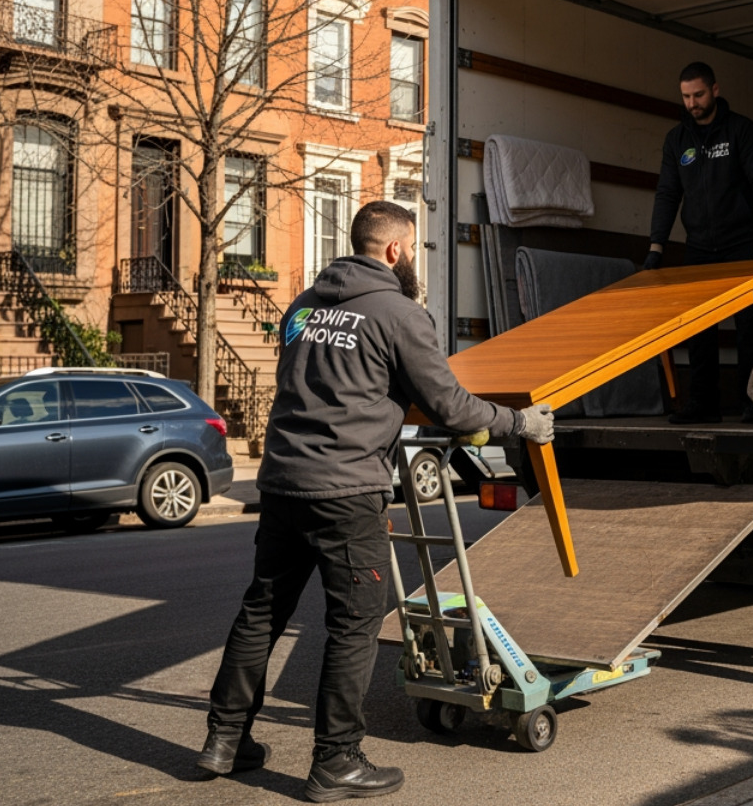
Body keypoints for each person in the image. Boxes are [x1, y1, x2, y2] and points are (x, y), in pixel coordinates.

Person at [197, 201, 554, 802]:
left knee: (262, 613)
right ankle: (336, 761)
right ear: (394, 250)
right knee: (354, 625)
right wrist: (520, 422)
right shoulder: (398, 313)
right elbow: (451, 406)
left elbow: (323, 379)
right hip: (346, 490)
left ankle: (225, 740)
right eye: (412, 248)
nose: (413, 258)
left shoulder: (303, 306)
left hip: (283, 485)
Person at [645, 61, 753, 424]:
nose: (692, 103)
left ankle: (752, 403)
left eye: (699, 94)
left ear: (715, 90)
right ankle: (703, 404)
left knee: (750, 327)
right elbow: (667, 194)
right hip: (700, 247)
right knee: (698, 327)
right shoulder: (676, 140)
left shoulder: (741, 131)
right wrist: (656, 246)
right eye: (686, 96)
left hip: (742, 244)